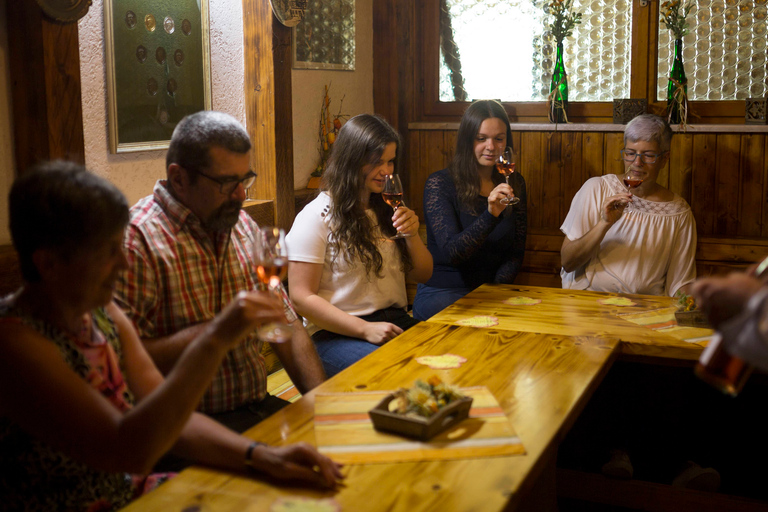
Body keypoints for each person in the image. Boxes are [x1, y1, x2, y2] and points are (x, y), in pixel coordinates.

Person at [0, 162, 342, 511]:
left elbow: (171, 417)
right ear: (48, 264)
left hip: (135, 491)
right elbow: (128, 450)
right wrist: (215, 337)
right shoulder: (14, 343)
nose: (122, 264)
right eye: (107, 252)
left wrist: (263, 456)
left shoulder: (100, 313)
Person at [115, 111, 325, 435]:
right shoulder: (136, 241)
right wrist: (218, 331)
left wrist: (320, 406)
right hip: (183, 431)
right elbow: (122, 363)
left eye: (246, 179)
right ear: (179, 178)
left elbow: (287, 324)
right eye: (228, 183)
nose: (241, 195)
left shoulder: (238, 222)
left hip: (257, 406)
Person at [286, 114, 433, 377]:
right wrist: (364, 329)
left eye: (390, 161)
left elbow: (423, 274)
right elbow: (300, 297)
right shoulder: (316, 215)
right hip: (335, 334)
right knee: (396, 371)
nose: (386, 171)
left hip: (394, 320)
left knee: (451, 355)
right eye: (377, 162)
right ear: (352, 159)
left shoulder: (388, 209)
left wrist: (412, 235)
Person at [412, 99, 527, 321]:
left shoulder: (515, 183)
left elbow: (515, 252)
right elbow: (453, 253)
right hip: (443, 291)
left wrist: (495, 292)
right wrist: (491, 215)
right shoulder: (440, 184)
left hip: (490, 293)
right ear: (467, 141)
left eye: (499, 139)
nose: (491, 147)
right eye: (481, 139)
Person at [560, 113, 696, 296]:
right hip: (590, 301)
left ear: (664, 159)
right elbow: (568, 262)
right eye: (630, 154)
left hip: (646, 309)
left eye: (648, 156)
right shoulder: (597, 189)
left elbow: (680, 282)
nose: (636, 163)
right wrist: (604, 224)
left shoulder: (678, 212)